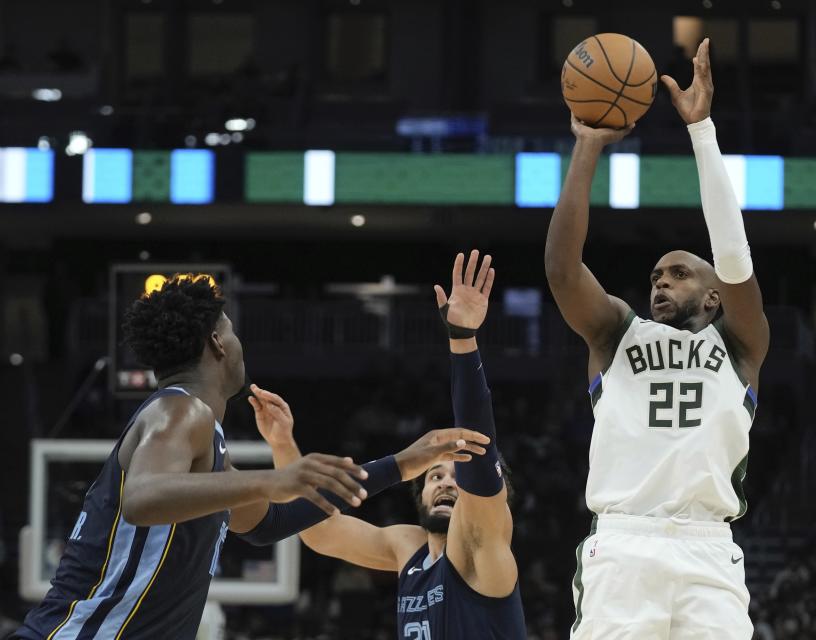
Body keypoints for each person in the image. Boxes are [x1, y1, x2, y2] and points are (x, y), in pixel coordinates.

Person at [14, 274, 480, 640]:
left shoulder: (205, 443)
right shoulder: (179, 410)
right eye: (231, 332)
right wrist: (271, 480)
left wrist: (400, 465)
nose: (238, 344)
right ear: (217, 343)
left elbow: (270, 524)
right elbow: (142, 497)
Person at [544, 39, 769, 639]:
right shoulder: (616, 332)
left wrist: (702, 133)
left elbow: (734, 256)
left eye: (679, 273)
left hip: (708, 546)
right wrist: (587, 147)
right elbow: (563, 270)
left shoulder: (740, 344)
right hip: (624, 542)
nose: (661, 283)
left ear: (715, 295)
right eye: (655, 277)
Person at [256, 250, 527, 639]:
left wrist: (463, 338)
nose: (446, 483)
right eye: (435, 475)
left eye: (455, 476)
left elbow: (477, 453)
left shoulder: (483, 548)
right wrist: (283, 445)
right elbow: (320, 531)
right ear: (420, 494)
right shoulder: (408, 547)